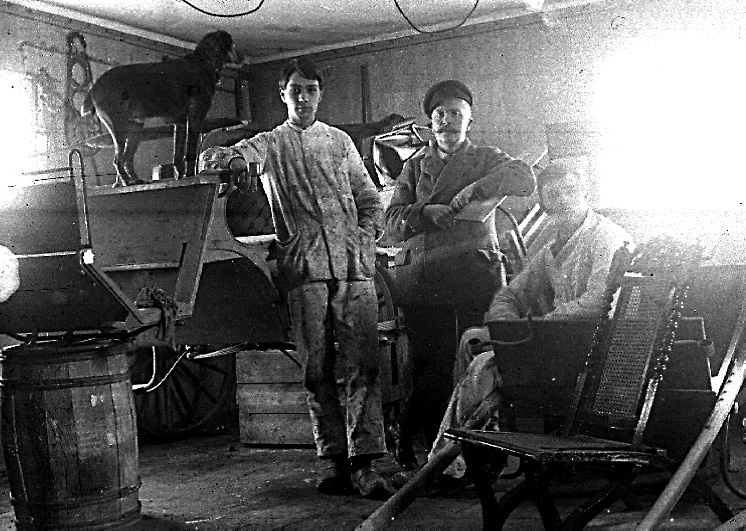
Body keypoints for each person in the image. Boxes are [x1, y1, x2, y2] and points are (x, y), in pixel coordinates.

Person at [199, 58, 393, 500]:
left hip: (353, 268)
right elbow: (226, 157)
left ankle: (366, 465)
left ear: (319, 95)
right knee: (316, 369)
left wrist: (363, 237)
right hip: (304, 269)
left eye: (310, 89)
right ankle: (334, 461)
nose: (303, 97)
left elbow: (369, 198)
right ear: (282, 95)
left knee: (362, 366)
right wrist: (230, 159)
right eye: (295, 90)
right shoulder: (270, 144)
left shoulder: (339, 142)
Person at [426, 157, 634, 485]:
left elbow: (598, 303)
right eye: (553, 194)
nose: (563, 200)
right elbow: (509, 296)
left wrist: (535, 327)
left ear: (585, 193)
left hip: (596, 349)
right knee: (473, 339)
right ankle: (479, 457)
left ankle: (448, 465)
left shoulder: (606, 238)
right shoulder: (552, 249)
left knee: (484, 365)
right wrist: (506, 329)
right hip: (558, 342)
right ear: (544, 202)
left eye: (570, 191)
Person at [384, 80, 536, 471]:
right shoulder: (413, 166)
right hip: (425, 281)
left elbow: (524, 178)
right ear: (430, 122)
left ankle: (479, 455)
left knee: (479, 361)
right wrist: (423, 213)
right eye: (440, 114)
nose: (447, 121)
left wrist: (475, 189)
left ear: (470, 120)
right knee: (430, 367)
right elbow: (391, 221)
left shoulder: (486, 157)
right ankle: (424, 446)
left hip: (475, 278)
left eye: (456, 113)